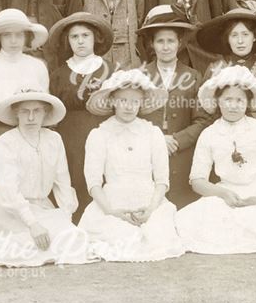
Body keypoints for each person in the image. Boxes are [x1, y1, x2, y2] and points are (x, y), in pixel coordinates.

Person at [0, 89, 92, 267]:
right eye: (24, 111)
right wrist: (33, 224)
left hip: (41, 207)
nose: (31, 118)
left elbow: (63, 183)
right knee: (37, 240)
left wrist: (65, 218)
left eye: (37, 111)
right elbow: (8, 189)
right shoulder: (7, 141)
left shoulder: (54, 139)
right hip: (8, 209)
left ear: (45, 113)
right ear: (16, 113)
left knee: (74, 237)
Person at [175, 65, 256, 254]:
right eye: (228, 99)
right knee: (187, 219)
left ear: (248, 102)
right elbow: (197, 181)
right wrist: (223, 194)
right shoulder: (209, 134)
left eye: (239, 100)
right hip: (226, 194)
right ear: (218, 101)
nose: (233, 105)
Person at [79, 70, 185, 262]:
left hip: (149, 201)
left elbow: (162, 180)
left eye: (135, 101)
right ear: (112, 101)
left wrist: (152, 209)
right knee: (119, 239)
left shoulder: (152, 133)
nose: (129, 107)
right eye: (123, 100)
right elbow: (93, 182)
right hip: (112, 204)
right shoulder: (99, 135)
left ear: (142, 103)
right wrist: (111, 212)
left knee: (157, 238)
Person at [0, 9, 51, 197]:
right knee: (0, 195)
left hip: (34, 137)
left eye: (19, 35)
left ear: (27, 37)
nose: (14, 41)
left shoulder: (37, 66)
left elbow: (45, 104)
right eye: (7, 35)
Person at [139, 5, 209, 208]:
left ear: (179, 43)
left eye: (171, 41)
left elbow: (203, 120)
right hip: (148, 154)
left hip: (182, 154)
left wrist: (177, 140)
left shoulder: (193, 76)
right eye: (160, 41)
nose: (166, 46)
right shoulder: (140, 76)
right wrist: (158, 138)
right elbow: (131, 117)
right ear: (152, 44)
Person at [47, 13, 114, 214]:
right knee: (73, 175)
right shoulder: (59, 74)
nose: (80, 41)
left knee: (103, 175)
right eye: (74, 37)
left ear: (95, 39)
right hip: (70, 136)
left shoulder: (109, 70)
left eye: (85, 35)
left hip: (105, 132)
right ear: (68, 41)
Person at [196, 8, 256, 116]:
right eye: (234, 35)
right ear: (227, 39)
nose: (240, 41)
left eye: (245, 34)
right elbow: (205, 105)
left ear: (255, 37)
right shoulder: (215, 68)